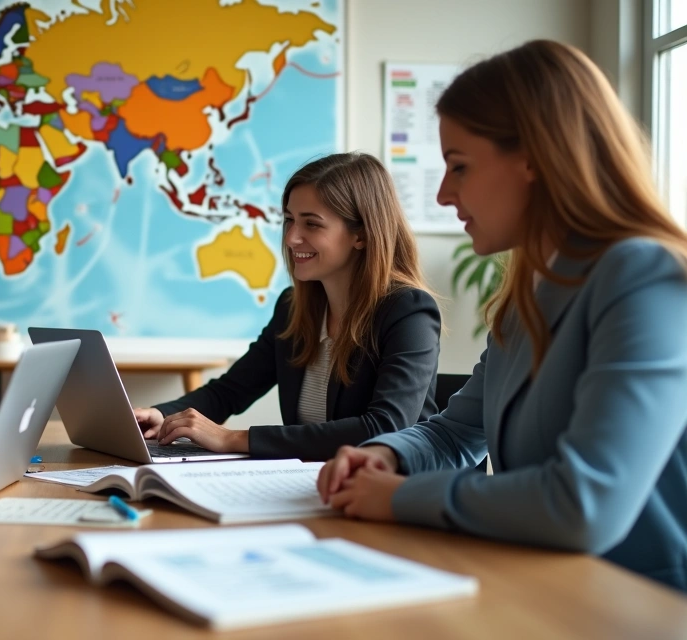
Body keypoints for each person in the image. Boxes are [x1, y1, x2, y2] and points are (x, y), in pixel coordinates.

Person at [316, 40, 687, 592]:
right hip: (543, 586)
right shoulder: (527, 294)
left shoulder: (644, 276)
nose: (443, 194)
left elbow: (585, 504)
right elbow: (457, 432)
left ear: (536, 157)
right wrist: (384, 457)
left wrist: (399, 498)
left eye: (459, 167)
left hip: (640, 601)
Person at [134, 153, 441, 460]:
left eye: (312, 223)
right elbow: (228, 392)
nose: (293, 237)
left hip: (392, 492)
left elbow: (383, 428)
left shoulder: (408, 311)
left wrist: (233, 438)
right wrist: (162, 415)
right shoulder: (292, 308)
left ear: (360, 235)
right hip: (308, 484)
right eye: (289, 220)